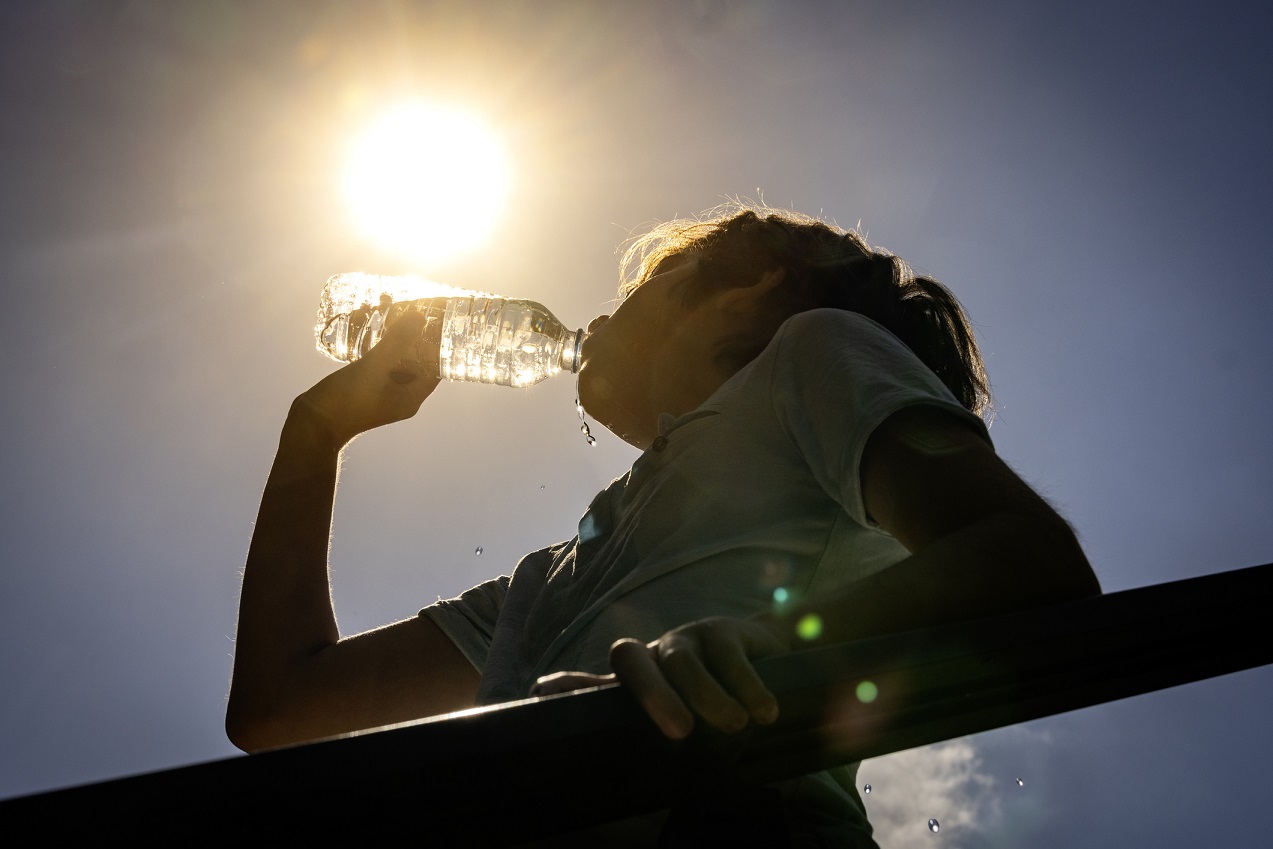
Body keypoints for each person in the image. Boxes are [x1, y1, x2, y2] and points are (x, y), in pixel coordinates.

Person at [226, 205, 1099, 846]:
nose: (602, 317)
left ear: (752, 288)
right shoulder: (553, 580)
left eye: (651, 282)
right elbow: (280, 707)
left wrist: (765, 646)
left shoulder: (812, 348)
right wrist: (315, 433)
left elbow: (1027, 560)